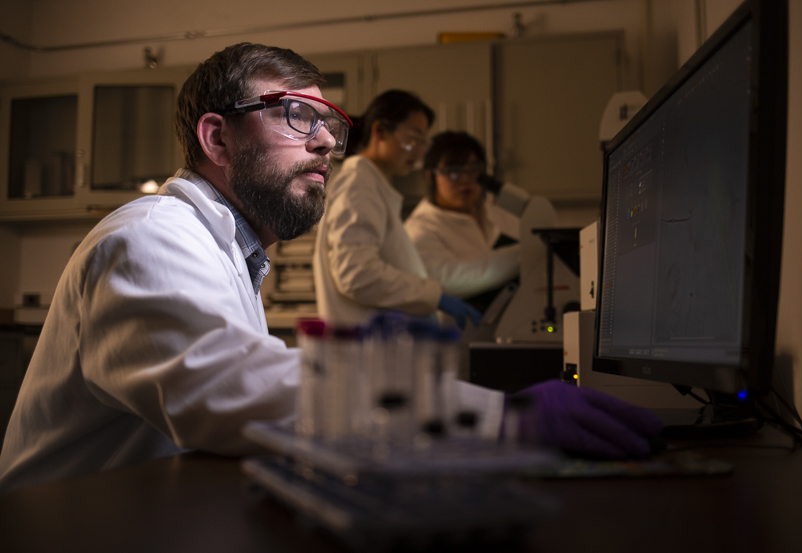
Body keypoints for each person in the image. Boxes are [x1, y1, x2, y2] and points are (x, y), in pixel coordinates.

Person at [0, 44, 661, 492]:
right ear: (217, 138)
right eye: (295, 115)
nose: (323, 141)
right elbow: (232, 390)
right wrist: (492, 418)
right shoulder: (150, 238)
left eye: (328, 124)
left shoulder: (229, 251)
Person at [312, 90, 481, 329]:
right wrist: (434, 297)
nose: (420, 151)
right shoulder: (359, 183)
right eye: (413, 139)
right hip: (366, 354)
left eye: (423, 142)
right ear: (380, 131)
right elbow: (357, 274)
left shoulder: (372, 184)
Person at [404, 131, 521, 303]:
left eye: (473, 170)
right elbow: (447, 280)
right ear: (430, 176)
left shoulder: (501, 215)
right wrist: (525, 253)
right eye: (453, 172)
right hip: (455, 328)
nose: (465, 180)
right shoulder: (419, 228)